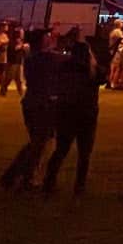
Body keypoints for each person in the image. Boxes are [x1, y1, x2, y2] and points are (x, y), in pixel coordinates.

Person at [42, 30, 104, 196]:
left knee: (61, 150)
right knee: (84, 153)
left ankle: (49, 181)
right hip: (87, 114)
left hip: (66, 112)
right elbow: (104, 77)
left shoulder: (64, 68)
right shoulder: (93, 71)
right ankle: (79, 186)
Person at [0, 28, 59, 190]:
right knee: (39, 143)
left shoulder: (34, 57)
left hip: (33, 103)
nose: (51, 38)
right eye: (47, 37)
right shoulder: (45, 58)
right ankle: (20, 177)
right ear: (41, 41)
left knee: (38, 142)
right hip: (41, 104)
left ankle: (18, 176)